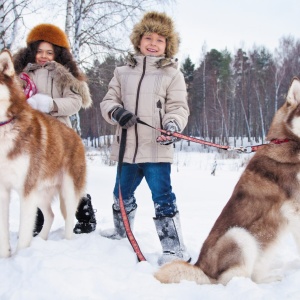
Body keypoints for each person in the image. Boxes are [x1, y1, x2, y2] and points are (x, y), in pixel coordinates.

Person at [100, 11, 190, 265]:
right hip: (126, 148)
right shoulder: (121, 72)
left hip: (156, 149)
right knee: (121, 192)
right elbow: (108, 101)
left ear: (167, 46)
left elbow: (178, 107)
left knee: (162, 197)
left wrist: (172, 124)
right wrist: (116, 112)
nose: (153, 43)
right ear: (139, 40)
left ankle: (174, 248)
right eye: (148, 37)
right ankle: (120, 231)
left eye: (160, 40)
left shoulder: (172, 74)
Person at [13, 23, 97, 234]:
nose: (43, 56)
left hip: (61, 136)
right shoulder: (21, 74)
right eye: (39, 51)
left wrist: (50, 104)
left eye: (49, 52)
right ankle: (35, 222)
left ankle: (85, 217)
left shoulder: (65, 75)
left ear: (58, 53)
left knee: (69, 174)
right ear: (31, 51)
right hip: (30, 136)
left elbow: (76, 102)